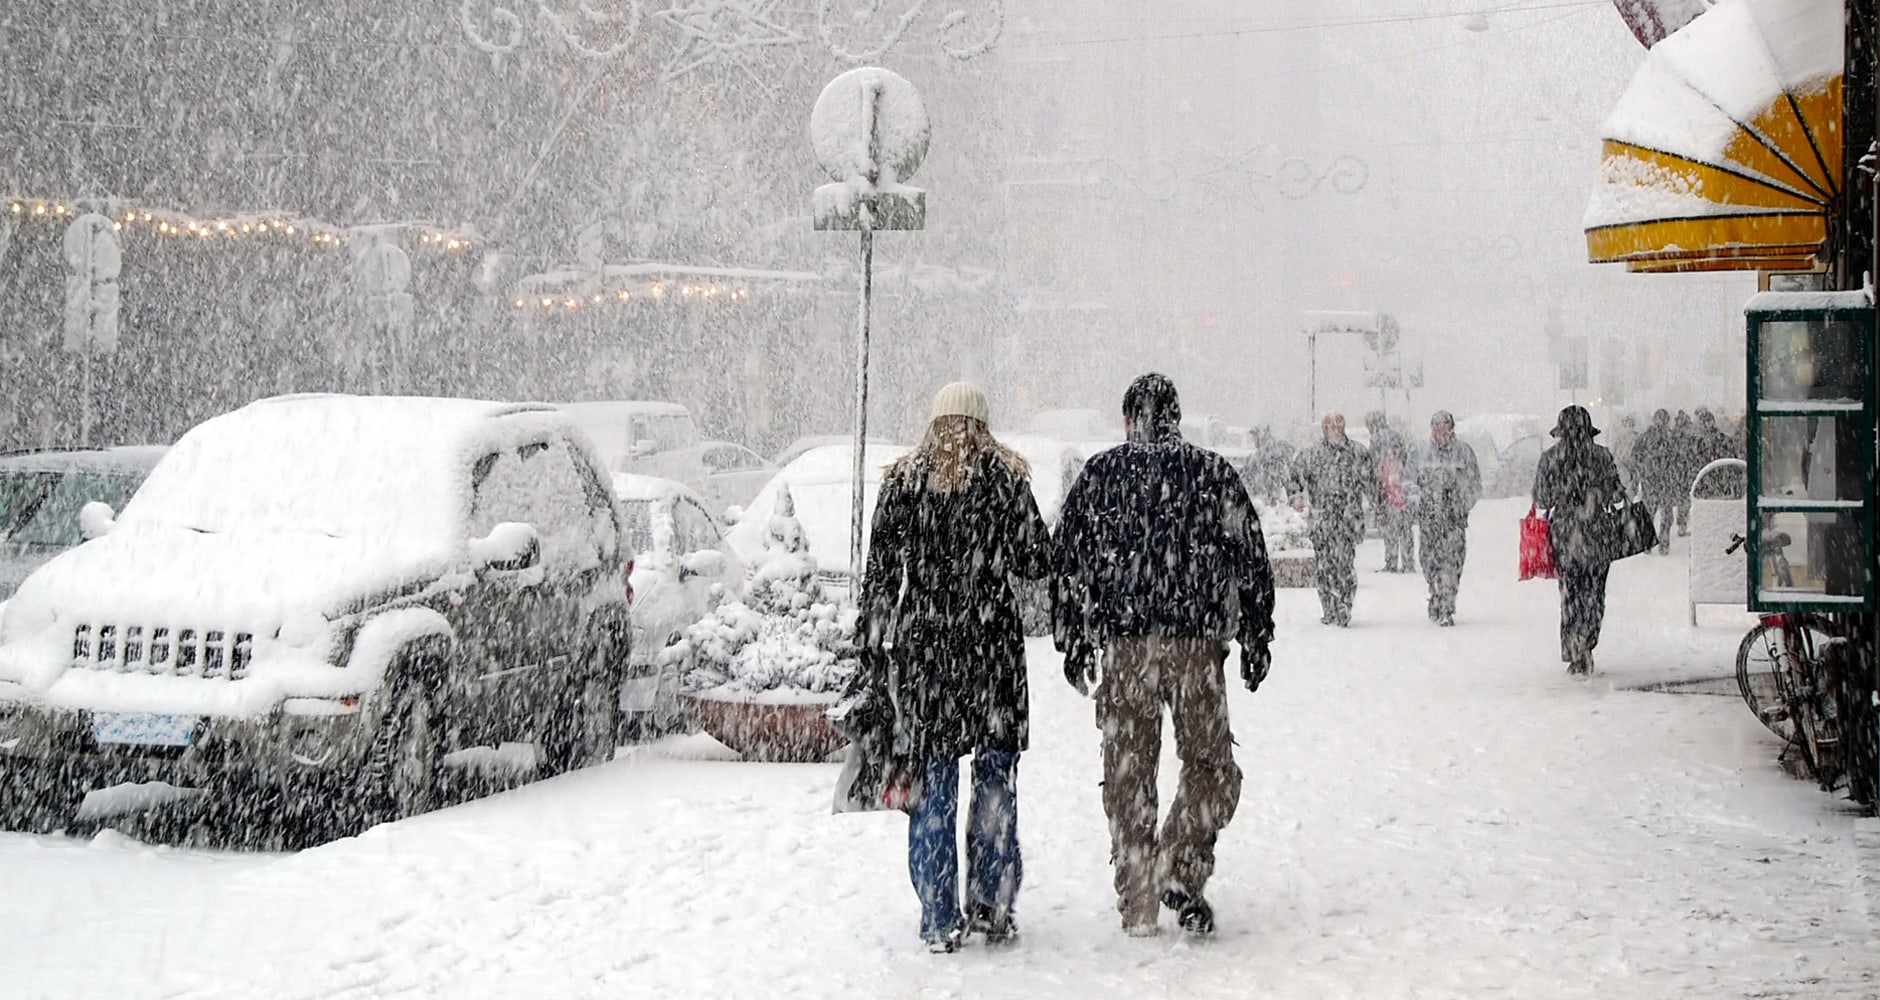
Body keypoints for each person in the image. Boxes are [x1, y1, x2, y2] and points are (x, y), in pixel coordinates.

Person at [1052, 372, 1276, 938]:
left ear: (1129, 419)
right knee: (1211, 766)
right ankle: (1180, 861)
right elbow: (1250, 555)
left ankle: (1140, 899)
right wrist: (1256, 631)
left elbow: (1064, 562)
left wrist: (1072, 634)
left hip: (1127, 650)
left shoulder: (1102, 476)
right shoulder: (1210, 474)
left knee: (1128, 778)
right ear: (1176, 417)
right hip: (1195, 648)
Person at [858, 381, 1052, 953]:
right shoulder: (1004, 482)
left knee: (934, 788)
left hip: (928, 658)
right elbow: (1036, 560)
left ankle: (939, 916)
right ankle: (991, 905)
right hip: (991, 653)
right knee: (994, 785)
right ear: (983, 425)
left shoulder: (903, 485)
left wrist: (872, 649)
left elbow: (880, 577)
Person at [1533, 405, 1624, 676]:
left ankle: (1575, 648)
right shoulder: (1601, 456)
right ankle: (1587, 640)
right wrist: (1597, 493)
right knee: (1594, 594)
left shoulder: (1550, 459)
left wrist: (1564, 497)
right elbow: (1617, 494)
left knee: (1571, 594)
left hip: (1565, 536)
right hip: (1597, 536)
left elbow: (1540, 498)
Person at [1289, 412, 1375, 626]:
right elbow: (1294, 478)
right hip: (1322, 519)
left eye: (1338, 425)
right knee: (1325, 565)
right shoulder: (1312, 455)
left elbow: (1371, 483)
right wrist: (1297, 497)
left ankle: (1344, 605)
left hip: (1348, 519)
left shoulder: (1357, 453)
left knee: (1345, 563)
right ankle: (1329, 606)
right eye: (1330, 426)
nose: (1335, 430)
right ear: (1324, 429)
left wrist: (1377, 506)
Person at [1410, 410, 1481, 626]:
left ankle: (1447, 605)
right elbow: (1408, 482)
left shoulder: (1464, 453)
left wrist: (1462, 504)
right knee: (1429, 562)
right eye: (1436, 428)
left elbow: (1474, 484)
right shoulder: (1419, 452)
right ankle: (1435, 590)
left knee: (1452, 564)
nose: (1440, 432)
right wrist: (1418, 502)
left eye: (1444, 428)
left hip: (1454, 521)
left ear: (1451, 429)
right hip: (1429, 520)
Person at [1364, 411, 1416, 573]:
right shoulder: (1397, 437)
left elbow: (1373, 466)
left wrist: (1374, 492)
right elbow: (1407, 461)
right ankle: (1408, 561)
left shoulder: (1376, 440)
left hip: (1387, 489)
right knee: (1405, 528)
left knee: (1390, 529)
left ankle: (1392, 561)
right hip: (1402, 488)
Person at [1630, 409, 1678, 554]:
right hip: (1663, 481)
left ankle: (1649, 542)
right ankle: (1662, 542)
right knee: (1663, 514)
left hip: (1652, 481)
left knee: (1651, 513)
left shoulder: (1646, 437)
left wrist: (1639, 474)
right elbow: (1678, 459)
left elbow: (1635, 457)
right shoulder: (1670, 438)